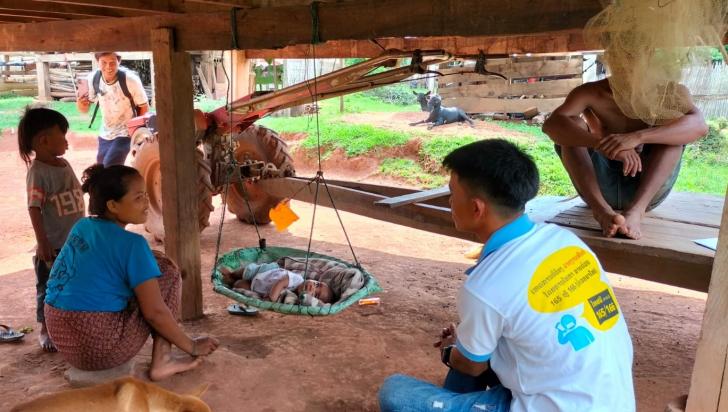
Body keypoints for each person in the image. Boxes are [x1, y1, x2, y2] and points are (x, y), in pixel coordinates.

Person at [379, 139, 635, 412]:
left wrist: (449, 351)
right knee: (471, 348)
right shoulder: (566, 242)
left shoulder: (484, 287)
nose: (450, 200)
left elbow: (472, 365)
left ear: (477, 209)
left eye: (453, 193)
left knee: (396, 393)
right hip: (607, 399)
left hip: (550, 405)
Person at [44, 164, 218, 380]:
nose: (147, 202)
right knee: (168, 273)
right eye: (138, 198)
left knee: (152, 263)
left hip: (62, 337)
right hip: (99, 350)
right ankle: (163, 361)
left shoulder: (82, 226)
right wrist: (191, 346)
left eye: (146, 195)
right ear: (113, 205)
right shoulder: (133, 245)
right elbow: (155, 314)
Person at [542, 78, 707, 239]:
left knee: (673, 134)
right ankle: (601, 212)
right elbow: (550, 125)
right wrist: (605, 144)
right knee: (570, 128)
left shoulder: (671, 92)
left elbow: (699, 126)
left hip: (647, 188)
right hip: (598, 187)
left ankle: (636, 211)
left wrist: (638, 137)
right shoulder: (591, 92)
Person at [18, 107, 85, 352]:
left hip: (74, 242)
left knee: (73, 284)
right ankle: (46, 329)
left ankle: (67, 324)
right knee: (49, 289)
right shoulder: (38, 173)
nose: (67, 141)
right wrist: (42, 242)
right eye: (63, 136)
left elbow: (71, 193)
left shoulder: (64, 164)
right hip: (53, 245)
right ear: (44, 140)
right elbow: (34, 208)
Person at [76, 52, 149, 167]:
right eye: (103, 63)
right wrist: (81, 103)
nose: (108, 67)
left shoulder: (131, 80)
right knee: (101, 166)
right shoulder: (91, 79)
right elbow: (83, 110)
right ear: (97, 62)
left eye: (112, 63)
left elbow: (143, 106)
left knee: (110, 165)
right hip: (106, 132)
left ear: (119, 62)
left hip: (126, 132)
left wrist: (136, 132)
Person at [224, 262, 335, 304]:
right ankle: (231, 273)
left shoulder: (295, 298)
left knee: (238, 285)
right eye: (316, 284)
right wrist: (272, 298)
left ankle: (232, 281)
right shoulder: (297, 279)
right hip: (264, 272)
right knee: (244, 272)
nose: (312, 287)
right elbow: (280, 283)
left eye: (315, 294)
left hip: (257, 286)